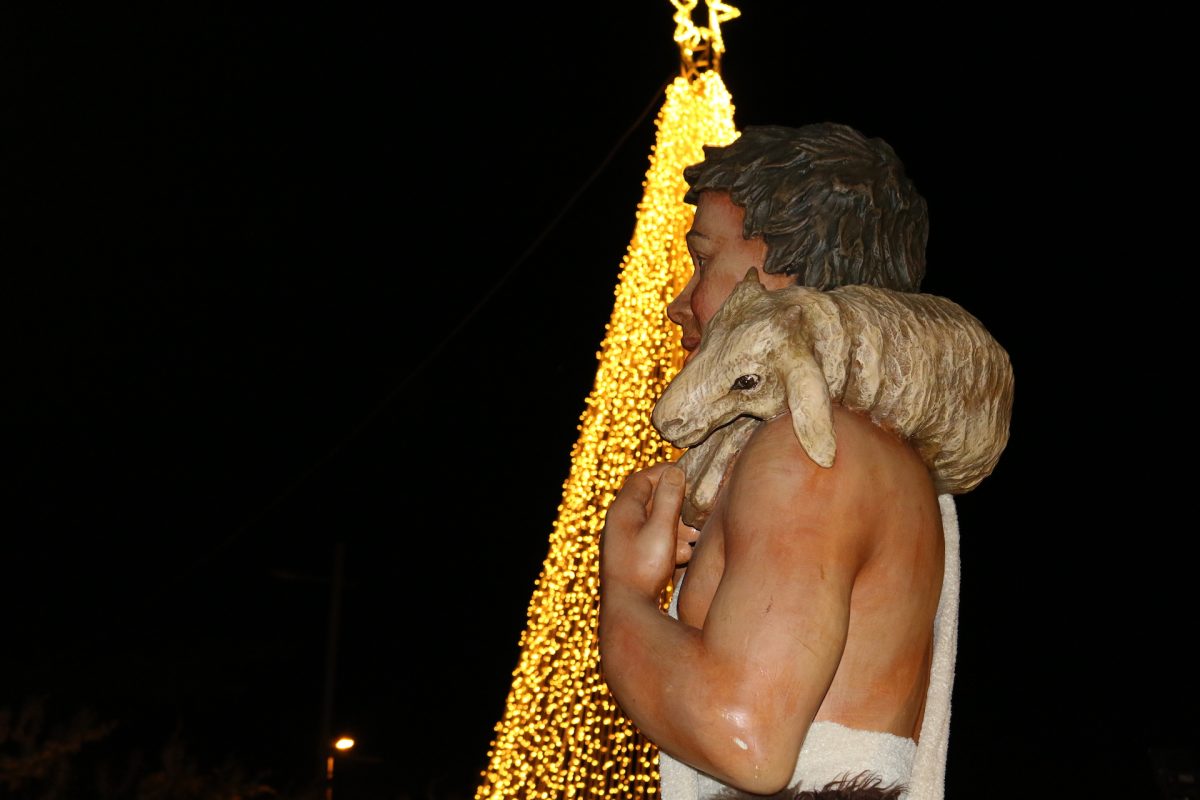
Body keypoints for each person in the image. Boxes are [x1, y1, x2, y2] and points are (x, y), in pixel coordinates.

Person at [598, 123, 1002, 800]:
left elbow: (746, 741)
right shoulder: (869, 449)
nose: (680, 304)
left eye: (703, 261)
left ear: (785, 279)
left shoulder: (809, 450)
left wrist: (625, 597)